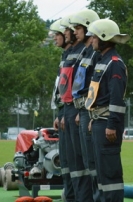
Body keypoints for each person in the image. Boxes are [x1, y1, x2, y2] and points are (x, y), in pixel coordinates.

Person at [84, 18, 129, 202]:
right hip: (99, 122)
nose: (92, 39)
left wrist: (111, 124)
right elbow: (99, 95)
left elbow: (116, 98)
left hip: (107, 125)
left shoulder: (115, 63)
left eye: (94, 36)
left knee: (110, 174)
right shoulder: (104, 60)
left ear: (103, 37)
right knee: (101, 173)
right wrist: (94, 118)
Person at [69, 9, 101, 202]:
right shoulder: (86, 53)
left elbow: (94, 86)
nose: (75, 32)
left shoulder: (95, 54)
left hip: (89, 111)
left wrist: (87, 110)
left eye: (79, 28)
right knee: (87, 160)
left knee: (93, 161)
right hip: (82, 110)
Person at [52, 16, 77, 202]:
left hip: (72, 112)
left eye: (58, 34)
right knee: (67, 162)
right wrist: (59, 112)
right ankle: (69, 195)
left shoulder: (76, 55)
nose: (55, 38)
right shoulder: (66, 56)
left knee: (75, 161)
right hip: (64, 111)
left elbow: (74, 89)